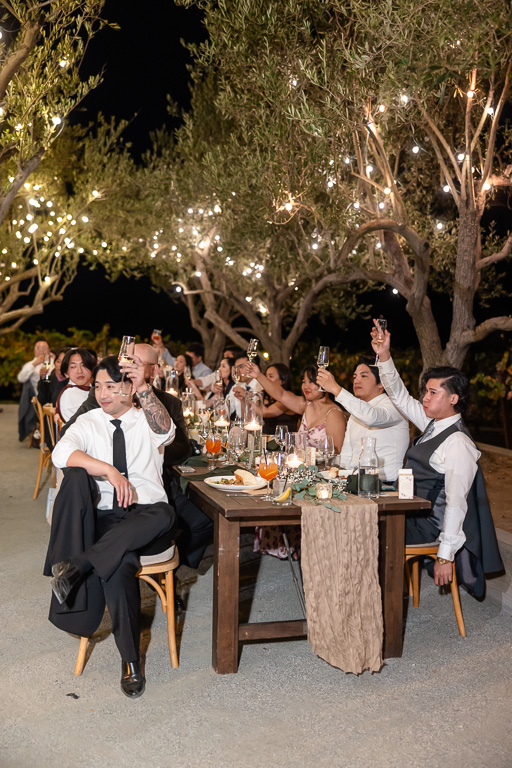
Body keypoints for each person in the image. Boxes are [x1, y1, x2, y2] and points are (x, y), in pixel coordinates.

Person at [45, 354, 177, 698]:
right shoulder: (90, 421)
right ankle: (131, 663)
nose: (103, 394)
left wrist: (146, 387)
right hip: (109, 519)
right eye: (99, 386)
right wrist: (108, 470)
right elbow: (62, 454)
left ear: (130, 388)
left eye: (112, 386)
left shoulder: (147, 417)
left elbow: (167, 431)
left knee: (164, 514)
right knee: (117, 568)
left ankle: (79, 564)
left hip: (147, 515)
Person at [371, 322, 503, 596]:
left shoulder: (458, 443)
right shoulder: (434, 424)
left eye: (433, 393)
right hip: (409, 515)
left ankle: (379, 602)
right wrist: (384, 356)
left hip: (428, 527)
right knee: (359, 519)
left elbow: (456, 503)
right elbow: (400, 397)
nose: (425, 398)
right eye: (426, 391)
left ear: (454, 398)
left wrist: (445, 556)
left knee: (367, 533)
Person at [62, 343, 212, 574]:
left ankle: (172, 574)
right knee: (123, 549)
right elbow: (67, 439)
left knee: (200, 522)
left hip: (162, 478)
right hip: (112, 493)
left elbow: (179, 447)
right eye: (128, 363)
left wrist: (150, 449)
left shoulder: (166, 403)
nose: (130, 369)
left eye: (139, 365)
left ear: (152, 370)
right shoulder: (104, 396)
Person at [317, 356, 410, 482]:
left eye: (364, 376)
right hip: (353, 482)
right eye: (355, 377)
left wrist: (335, 389)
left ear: (381, 383)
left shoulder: (395, 406)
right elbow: (346, 455)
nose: (356, 381)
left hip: (385, 485)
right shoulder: (356, 412)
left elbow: (372, 417)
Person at [247, 362, 346, 452]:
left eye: (311, 382)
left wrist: (309, 454)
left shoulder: (334, 414)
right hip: (298, 465)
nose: (305, 386)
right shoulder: (306, 405)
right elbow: (281, 395)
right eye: (304, 382)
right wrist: (258, 375)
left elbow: (336, 451)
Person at [17, 338, 53, 442]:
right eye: (38, 348)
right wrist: (35, 364)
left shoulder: (54, 363)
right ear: (34, 350)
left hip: (52, 395)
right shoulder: (30, 364)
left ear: (49, 350)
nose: (41, 350)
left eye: (44, 348)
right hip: (37, 398)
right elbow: (21, 378)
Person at [55, 347, 97, 423]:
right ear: (66, 373)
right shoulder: (70, 394)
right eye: (73, 367)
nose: (79, 371)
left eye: (83, 365)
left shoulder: (87, 390)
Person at [261, 363, 299, 435]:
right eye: (266, 376)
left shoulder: (289, 397)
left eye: (271, 376)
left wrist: (250, 397)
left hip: (285, 442)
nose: (266, 379)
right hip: (269, 440)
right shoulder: (268, 396)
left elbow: (267, 413)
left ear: (282, 381)